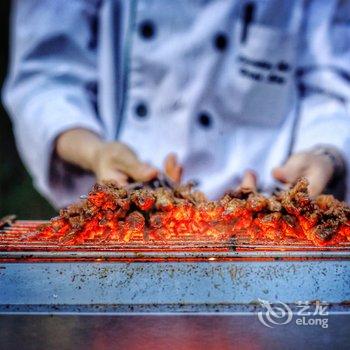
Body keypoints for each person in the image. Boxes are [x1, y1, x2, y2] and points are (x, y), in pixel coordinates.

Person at [3, 0, 350, 209]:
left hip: (272, 215)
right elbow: (46, 77)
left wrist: (326, 154)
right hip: (128, 216)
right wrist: (96, 152)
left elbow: (332, 82)